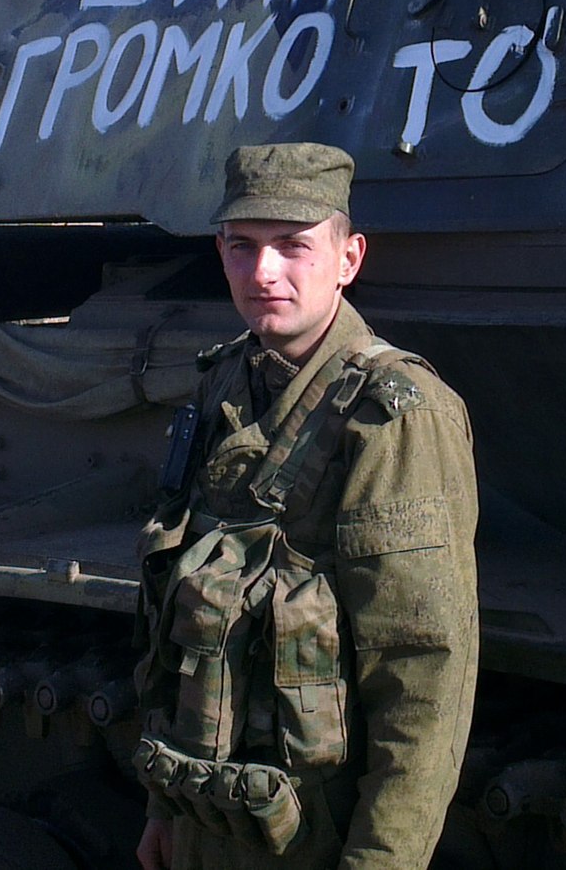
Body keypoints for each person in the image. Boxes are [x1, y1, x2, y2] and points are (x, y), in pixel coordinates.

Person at [133, 143, 479, 870]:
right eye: (242, 246)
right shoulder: (224, 381)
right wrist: (166, 809)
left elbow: (421, 672)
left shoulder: (392, 419)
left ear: (348, 256)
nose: (264, 272)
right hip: (210, 817)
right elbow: (175, 615)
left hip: (314, 838)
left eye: (293, 245)